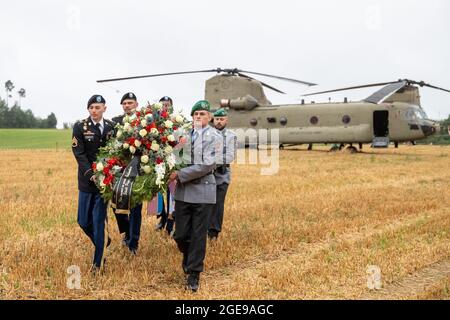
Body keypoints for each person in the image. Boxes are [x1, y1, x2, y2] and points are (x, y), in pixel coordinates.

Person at [168, 100, 219, 292]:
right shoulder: (183, 135)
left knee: (198, 235)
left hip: (203, 192)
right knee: (180, 235)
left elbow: (208, 165)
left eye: (202, 114)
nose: (198, 117)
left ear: (209, 117)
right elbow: (172, 154)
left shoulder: (215, 136)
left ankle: (194, 274)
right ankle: (188, 257)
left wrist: (179, 175)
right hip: (183, 192)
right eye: (195, 114)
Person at [72, 94, 115, 273]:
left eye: (97, 107)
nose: (94, 110)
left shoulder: (112, 127)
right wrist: (90, 174)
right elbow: (79, 153)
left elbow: (117, 151)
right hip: (87, 181)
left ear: (104, 108)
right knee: (83, 221)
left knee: (98, 221)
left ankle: (98, 263)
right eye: (91, 108)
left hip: (105, 183)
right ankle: (103, 241)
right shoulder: (80, 127)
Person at [111, 92, 143, 254]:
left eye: (130, 103)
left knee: (136, 208)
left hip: (138, 171)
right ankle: (126, 231)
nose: (127, 105)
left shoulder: (144, 123)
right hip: (119, 171)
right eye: (124, 103)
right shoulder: (115, 122)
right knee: (116, 205)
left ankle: (133, 243)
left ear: (136, 104)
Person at [208, 108, 237, 240]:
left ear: (226, 120)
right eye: (217, 119)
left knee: (218, 205)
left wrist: (211, 162)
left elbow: (230, 156)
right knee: (205, 203)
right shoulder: (206, 134)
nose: (219, 122)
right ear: (213, 120)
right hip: (206, 175)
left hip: (221, 174)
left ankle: (214, 232)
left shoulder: (231, 136)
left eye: (222, 119)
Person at [154, 96, 176, 234]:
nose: (165, 107)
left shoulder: (176, 121)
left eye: (167, 105)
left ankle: (170, 223)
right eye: (162, 105)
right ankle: (161, 216)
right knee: (157, 194)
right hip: (156, 161)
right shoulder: (153, 121)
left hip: (172, 162)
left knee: (172, 194)